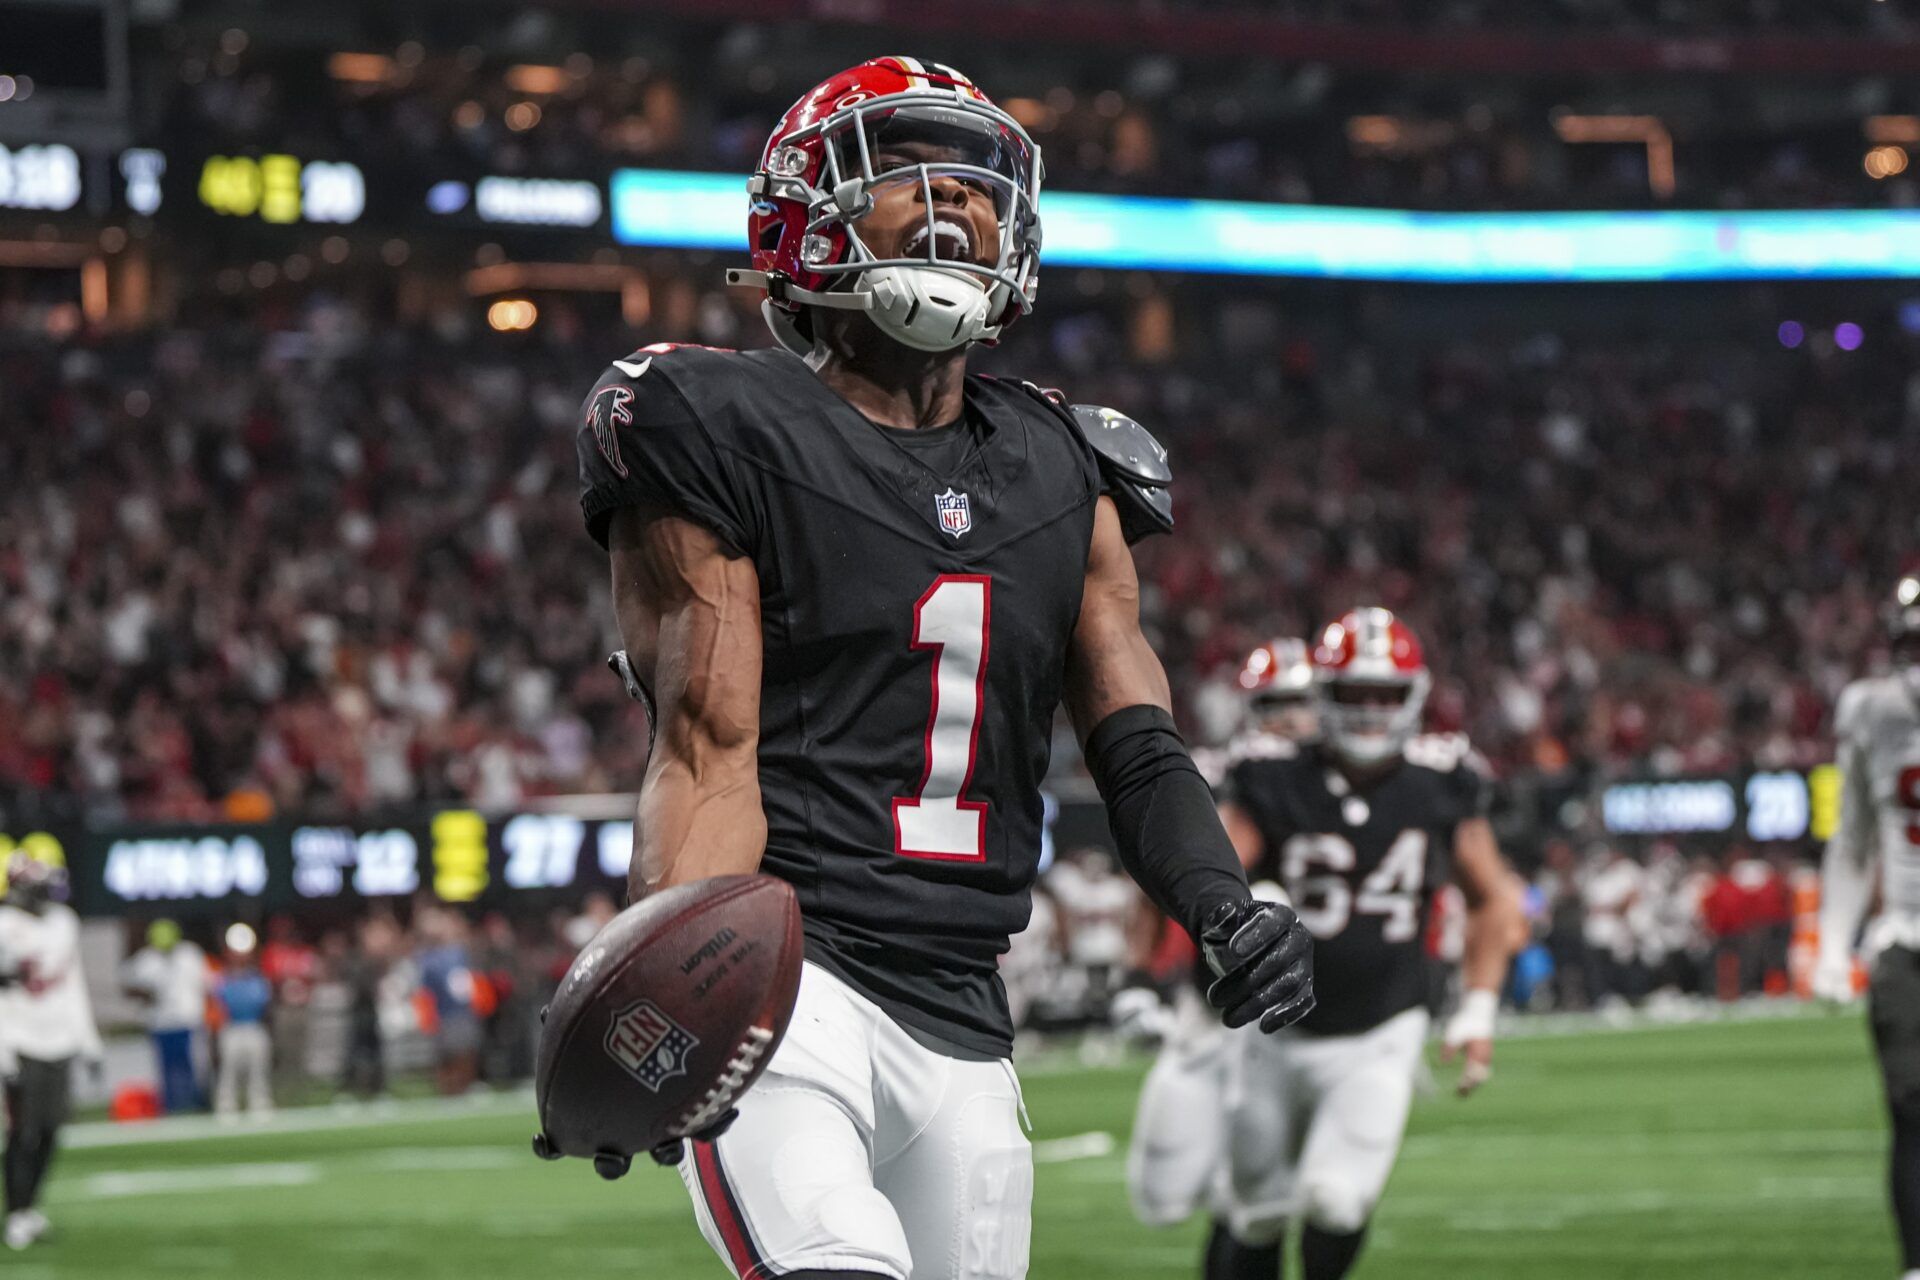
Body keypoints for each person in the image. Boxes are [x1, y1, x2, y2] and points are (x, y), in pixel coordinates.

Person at [572, 56, 1315, 1280]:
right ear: (804, 212)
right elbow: (708, 743)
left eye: (976, 181)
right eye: (905, 168)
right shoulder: (715, 421)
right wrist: (676, 978)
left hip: (968, 1007)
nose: (954, 201)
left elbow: (1136, 743)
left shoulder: (1065, 462)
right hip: (786, 976)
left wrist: (1222, 907)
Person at [1204, 609, 1526, 1280]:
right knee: (1257, 1211)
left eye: (1386, 694)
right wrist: (1252, 901)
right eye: (1355, 693)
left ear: (1414, 695)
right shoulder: (1270, 773)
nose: (1372, 710)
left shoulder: (1441, 777)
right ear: (1322, 692)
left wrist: (1478, 1009)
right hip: (1273, 1031)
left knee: (1338, 1198)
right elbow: (1214, 875)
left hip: (1382, 1026)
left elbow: (1493, 896)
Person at [1126, 638, 1318, 1231]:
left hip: (1303, 1022)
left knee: (1266, 1201)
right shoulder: (1225, 776)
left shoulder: (1351, 784)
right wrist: (1139, 978)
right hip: (1209, 1009)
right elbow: (1158, 879)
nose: (1286, 718)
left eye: (1298, 700)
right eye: (1272, 702)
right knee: (1163, 1198)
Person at [1815, 575, 1920, 1280]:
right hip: (1907, 939)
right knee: (1912, 1113)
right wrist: (1831, 941)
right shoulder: (1874, 713)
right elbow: (1852, 837)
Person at [0, 855, 102, 1251]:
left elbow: (73, 985)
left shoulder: (63, 923)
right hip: (19, 1040)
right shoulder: (5, 926)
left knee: (50, 1131)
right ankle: (16, 1212)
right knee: (21, 1133)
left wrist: (88, 1041)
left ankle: (30, 1208)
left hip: (58, 1038)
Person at [121, 918, 208, 1114]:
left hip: (188, 1020)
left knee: (193, 1065)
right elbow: (128, 986)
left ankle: (197, 1104)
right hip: (160, 1022)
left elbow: (206, 984)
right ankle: (172, 1107)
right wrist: (146, 994)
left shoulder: (190, 954)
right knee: (166, 1069)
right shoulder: (146, 959)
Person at [212, 927, 274, 1119]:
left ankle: (260, 1103)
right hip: (232, 1027)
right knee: (229, 1069)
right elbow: (217, 1004)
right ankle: (226, 1105)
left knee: (258, 1067)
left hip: (253, 1026)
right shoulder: (222, 978)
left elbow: (265, 1004)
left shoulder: (258, 978)